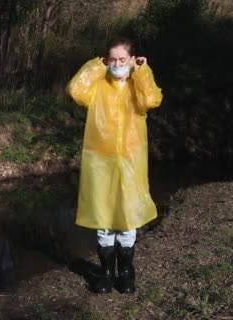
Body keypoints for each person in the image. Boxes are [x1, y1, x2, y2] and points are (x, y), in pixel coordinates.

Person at [66, 37, 163, 294]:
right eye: (112, 59)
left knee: (128, 216)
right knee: (104, 217)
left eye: (122, 59)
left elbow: (152, 100)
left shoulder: (138, 85)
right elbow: (75, 90)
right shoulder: (98, 85)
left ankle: (126, 273)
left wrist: (142, 72)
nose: (117, 64)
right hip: (99, 162)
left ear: (132, 59)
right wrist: (96, 66)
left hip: (131, 161)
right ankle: (106, 274)